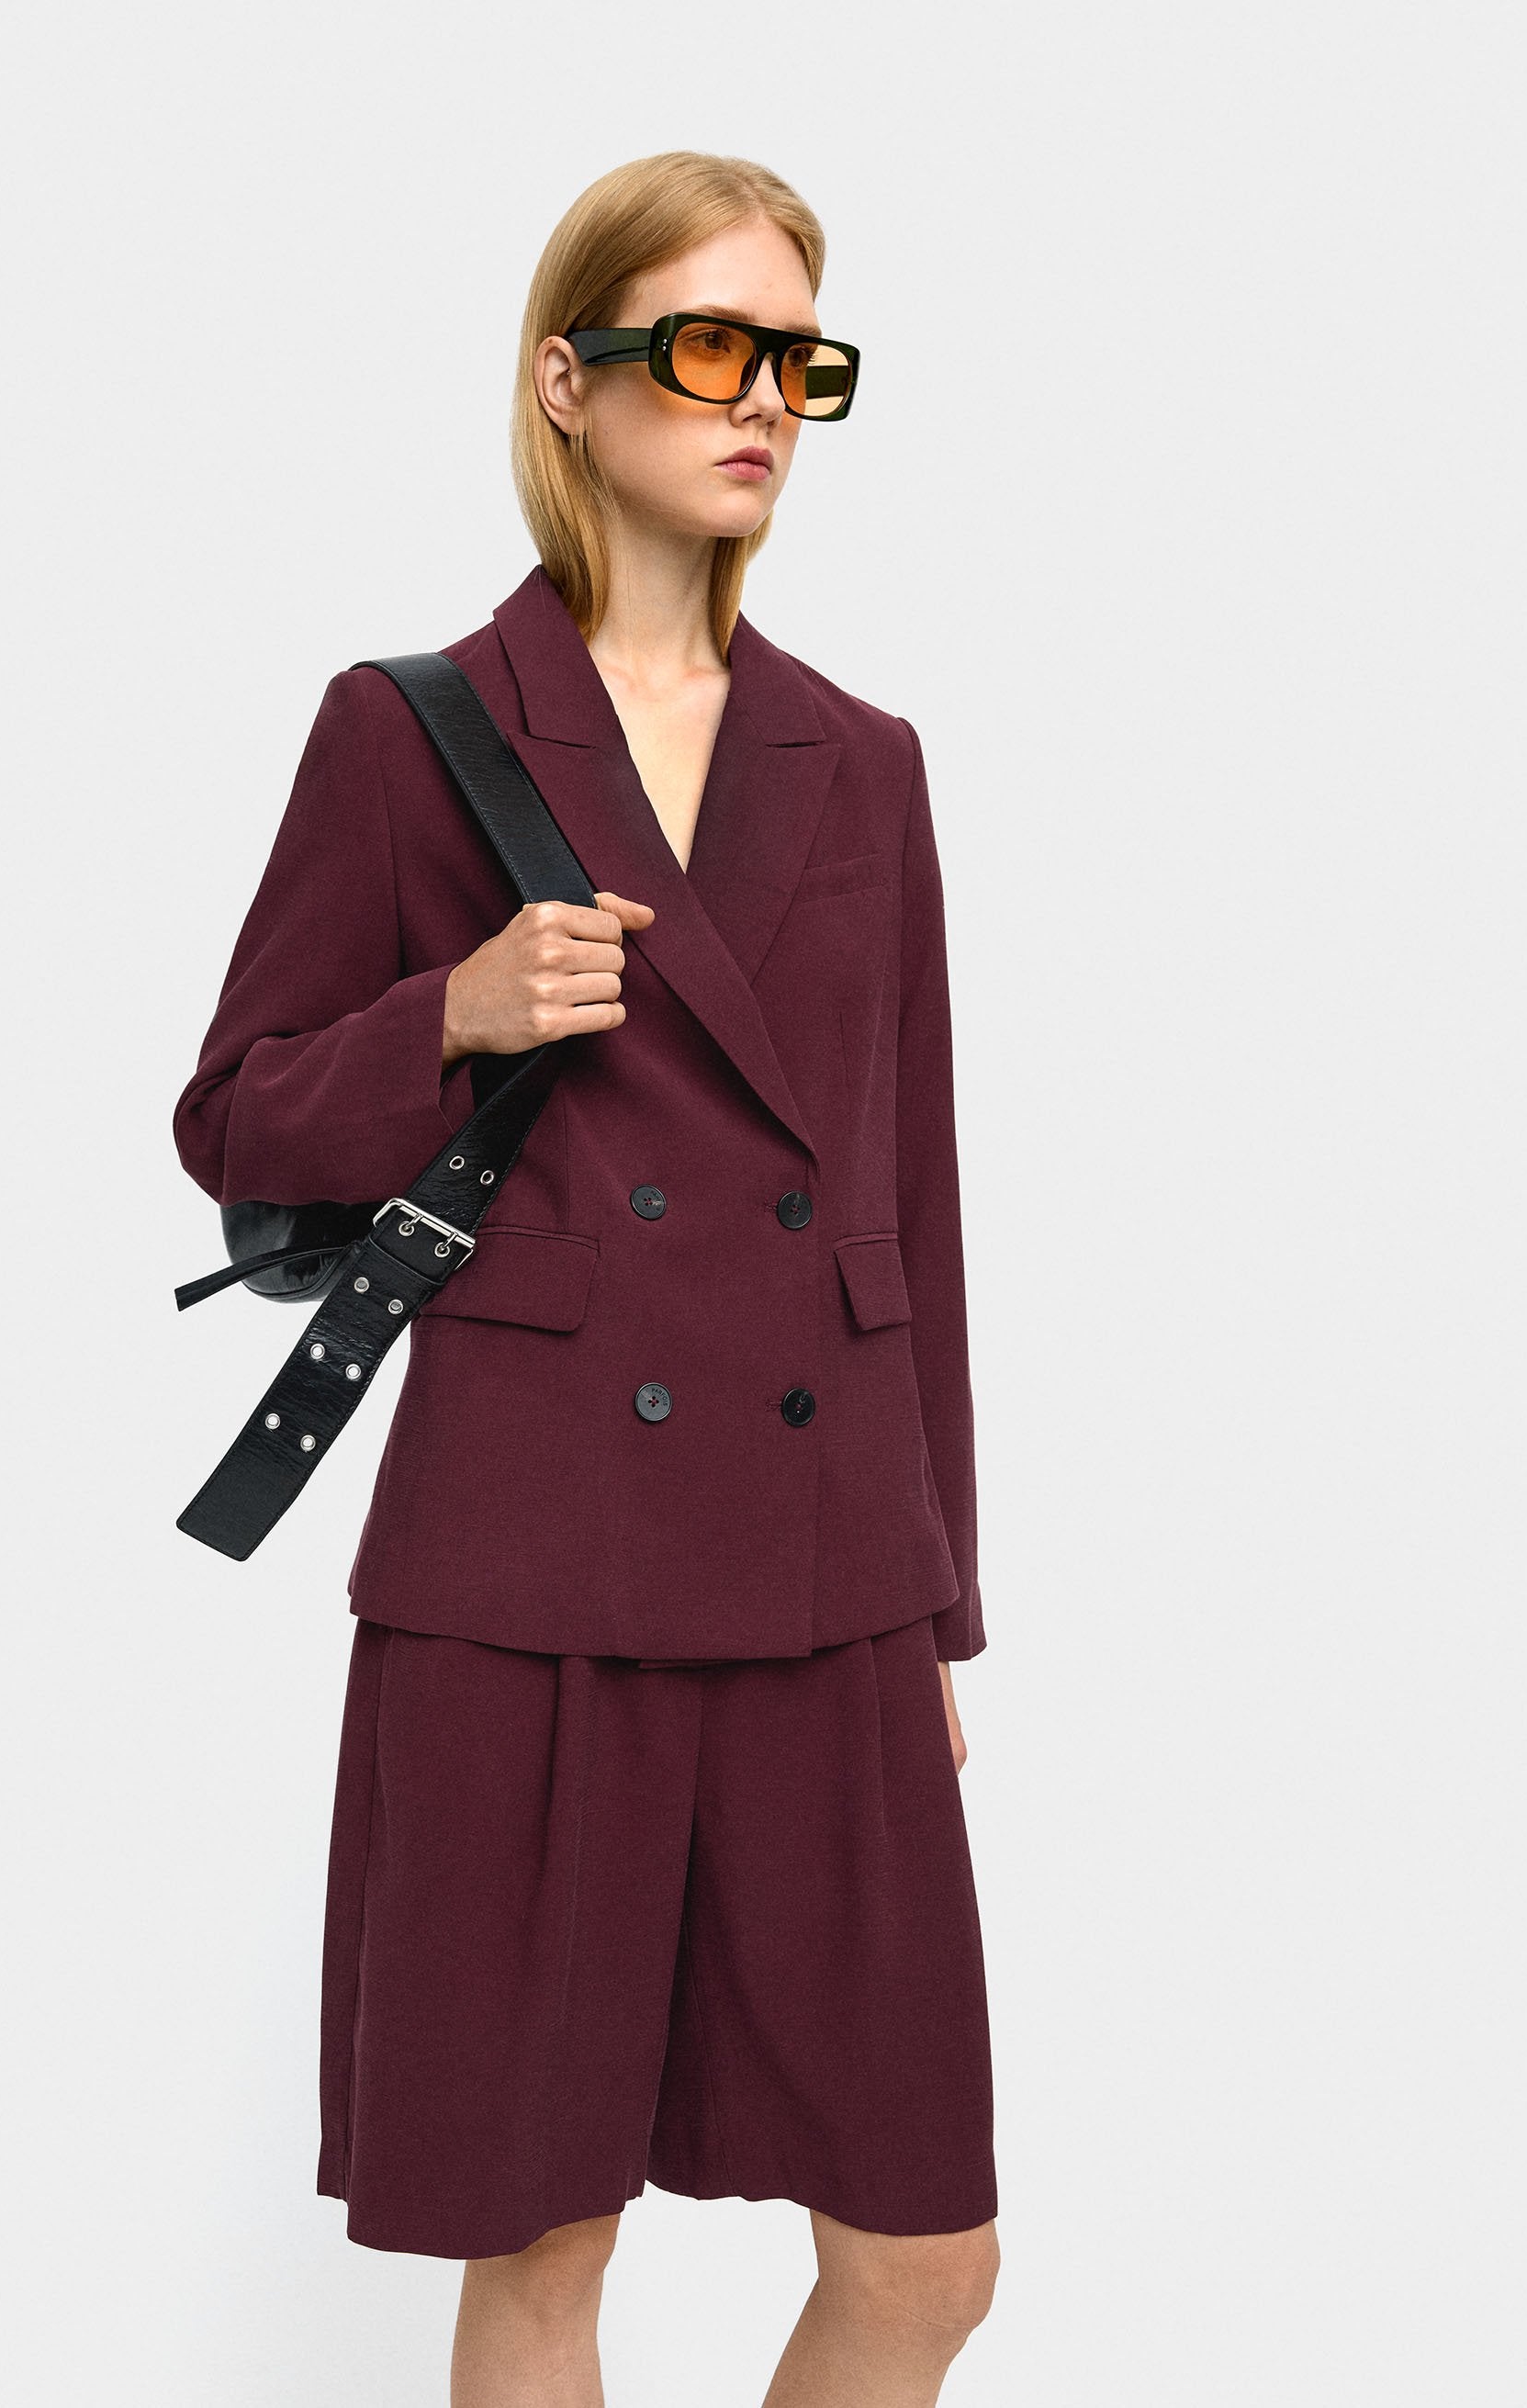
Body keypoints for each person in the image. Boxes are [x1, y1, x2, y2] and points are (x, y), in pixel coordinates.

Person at [174, 150, 1001, 2406]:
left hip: (828, 1567)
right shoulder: (417, 727)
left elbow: (908, 1200)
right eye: (712, 348)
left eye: (800, 361)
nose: (766, 405)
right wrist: (446, 1015)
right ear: (571, 378)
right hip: (535, 1560)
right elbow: (233, 1118)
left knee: (928, 2260)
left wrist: (938, 1605)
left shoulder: (867, 760)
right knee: (544, 2249)